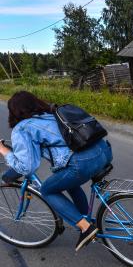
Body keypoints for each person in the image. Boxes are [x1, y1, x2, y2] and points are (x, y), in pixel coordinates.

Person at [0, 91, 113, 252]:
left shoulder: (22, 128)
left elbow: (27, 167)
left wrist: (4, 151)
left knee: (47, 190)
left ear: (14, 112)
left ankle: (86, 228)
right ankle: (85, 219)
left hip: (83, 163)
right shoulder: (52, 114)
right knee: (68, 183)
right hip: (104, 151)